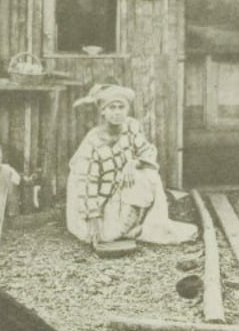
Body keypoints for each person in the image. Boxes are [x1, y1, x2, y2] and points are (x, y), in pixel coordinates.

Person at [66, 84, 197, 247]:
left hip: (119, 191)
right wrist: (93, 217)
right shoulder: (93, 142)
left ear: (127, 109)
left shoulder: (131, 127)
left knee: (147, 175)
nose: (117, 112)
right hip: (98, 200)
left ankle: (139, 222)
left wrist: (134, 162)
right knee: (104, 237)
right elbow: (86, 184)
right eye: (112, 107)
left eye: (121, 107)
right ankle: (123, 226)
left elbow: (148, 152)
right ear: (103, 112)